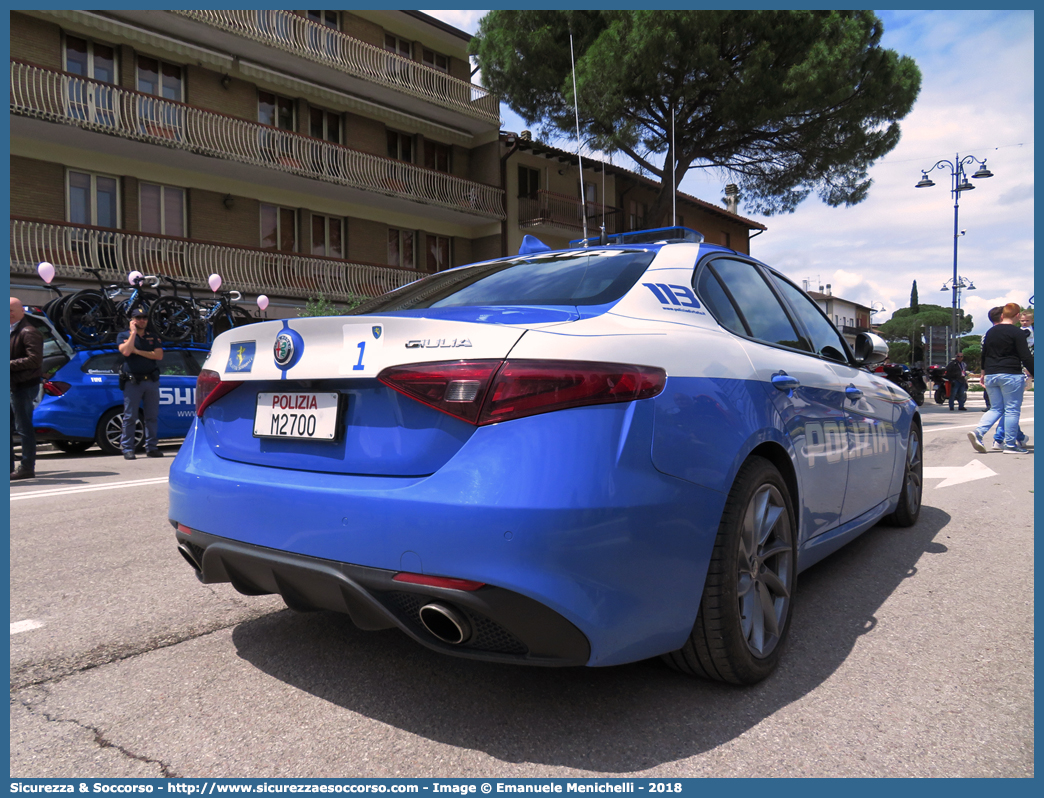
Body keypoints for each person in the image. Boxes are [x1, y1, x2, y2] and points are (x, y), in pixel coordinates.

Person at [969, 302, 1034, 454]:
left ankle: (978, 432)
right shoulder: (1017, 332)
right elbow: (1025, 356)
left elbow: (984, 353)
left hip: (991, 374)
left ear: (1003, 315)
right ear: (1017, 315)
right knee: (1012, 410)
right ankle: (1010, 445)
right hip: (1010, 374)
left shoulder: (990, 332)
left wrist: (983, 373)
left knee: (996, 408)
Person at [117, 307, 164, 460]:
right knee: (130, 417)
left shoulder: (153, 336)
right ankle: (128, 448)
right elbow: (125, 351)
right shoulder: (123, 335)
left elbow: (158, 355)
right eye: (138, 317)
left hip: (150, 381)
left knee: (152, 417)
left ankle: (151, 448)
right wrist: (133, 334)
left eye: (144, 317)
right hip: (133, 382)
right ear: (132, 320)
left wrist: (137, 352)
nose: (142, 320)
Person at [10, 297, 43, 480]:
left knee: (24, 428)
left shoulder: (28, 331)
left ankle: (27, 467)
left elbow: (34, 360)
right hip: (12, 385)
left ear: (21, 311)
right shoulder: (12, 330)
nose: (8, 314)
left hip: (23, 385)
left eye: (11, 311)